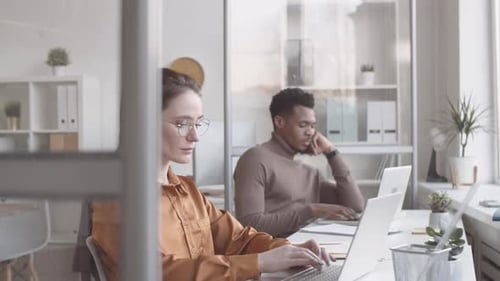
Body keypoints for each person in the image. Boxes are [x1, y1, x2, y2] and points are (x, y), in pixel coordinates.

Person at [91, 70, 331, 281]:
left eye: (198, 123)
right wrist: (259, 263)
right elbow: (154, 272)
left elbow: (238, 239)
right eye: (182, 124)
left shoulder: (187, 190)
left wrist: (289, 250)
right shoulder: (117, 197)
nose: (195, 136)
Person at [234, 88, 365, 237]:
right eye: (303, 125)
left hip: (310, 249)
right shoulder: (255, 159)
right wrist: (311, 211)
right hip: (274, 254)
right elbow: (250, 225)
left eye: (312, 126)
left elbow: (355, 206)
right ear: (279, 122)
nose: (310, 132)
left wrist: (331, 152)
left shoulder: (309, 173)